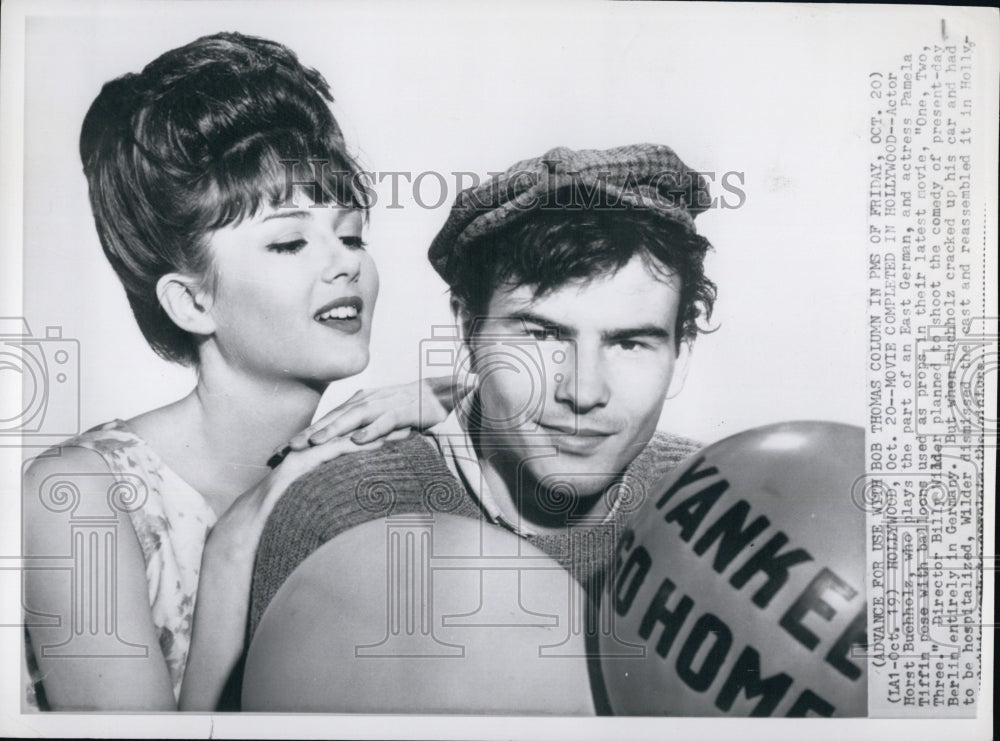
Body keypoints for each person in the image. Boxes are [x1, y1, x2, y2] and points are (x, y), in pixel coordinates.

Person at [22, 31, 461, 712]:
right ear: (193, 300)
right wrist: (233, 552)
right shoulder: (80, 496)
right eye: (289, 241)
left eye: (349, 234)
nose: (343, 263)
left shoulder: (361, 463)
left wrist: (457, 403)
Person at [244, 143, 719, 712]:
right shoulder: (343, 507)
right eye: (542, 336)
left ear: (681, 355)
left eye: (629, 342)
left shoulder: (719, 509)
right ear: (468, 330)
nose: (584, 392)